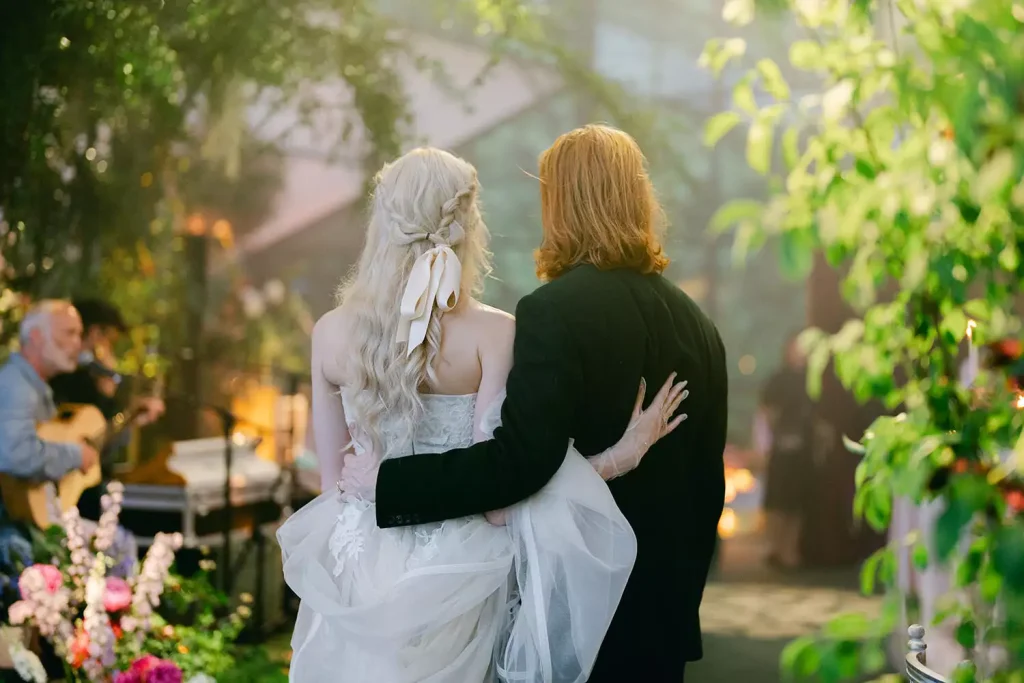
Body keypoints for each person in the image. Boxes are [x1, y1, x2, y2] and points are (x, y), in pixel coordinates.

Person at [278, 146, 688, 683]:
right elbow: (501, 504)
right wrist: (617, 457)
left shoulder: (329, 333)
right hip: (459, 579)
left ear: (382, 222)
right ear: (468, 226)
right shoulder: (496, 334)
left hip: (355, 575)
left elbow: (333, 486)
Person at [0, 300, 137, 577]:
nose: (78, 343)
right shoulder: (16, 386)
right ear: (37, 337)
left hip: (31, 520)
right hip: (12, 529)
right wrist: (75, 455)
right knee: (119, 546)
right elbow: (15, 455)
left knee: (118, 544)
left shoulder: (35, 386)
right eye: (69, 333)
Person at [49, 298, 164, 521]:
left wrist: (129, 416)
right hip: (76, 494)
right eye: (109, 341)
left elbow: (101, 436)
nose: (109, 351)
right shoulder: (77, 379)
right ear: (95, 334)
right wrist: (109, 398)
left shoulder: (74, 375)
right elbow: (99, 440)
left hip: (81, 487)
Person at [756, 332, 817, 569]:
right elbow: (766, 410)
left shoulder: (811, 379)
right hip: (781, 447)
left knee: (797, 502)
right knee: (777, 501)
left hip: (803, 449)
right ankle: (773, 548)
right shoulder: (778, 379)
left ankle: (791, 551)